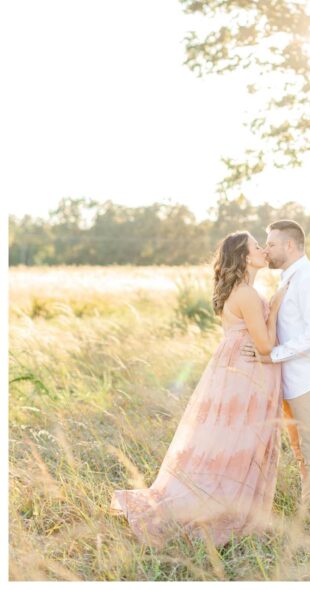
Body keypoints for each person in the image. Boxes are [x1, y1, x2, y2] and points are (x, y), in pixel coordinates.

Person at [111, 232, 287, 546]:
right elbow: (264, 345)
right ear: (244, 257)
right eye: (256, 246)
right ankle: (220, 508)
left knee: (232, 440)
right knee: (240, 440)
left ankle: (226, 501)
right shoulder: (246, 293)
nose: (263, 250)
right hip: (247, 372)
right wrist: (274, 310)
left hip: (238, 369)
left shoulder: (242, 290)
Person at [242, 219, 310, 527]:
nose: (266, 249)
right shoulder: (289, 280)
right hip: (294, 383)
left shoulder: (309, 279)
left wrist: (273, 357)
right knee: (303, 454)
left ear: (289, 245)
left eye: (270, 244)